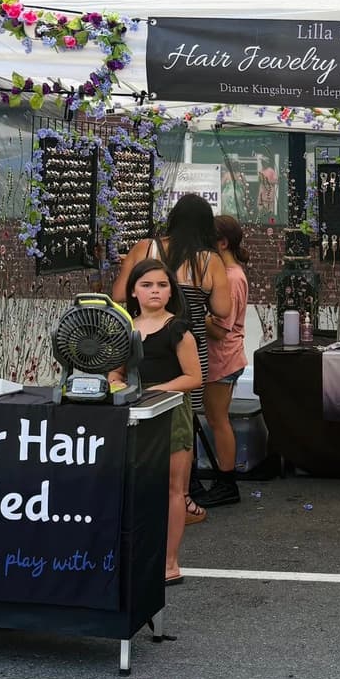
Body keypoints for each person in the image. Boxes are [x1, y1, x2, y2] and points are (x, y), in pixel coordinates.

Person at [113, 193, 232, 515]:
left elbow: (118, 294)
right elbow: (223, 309)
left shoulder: (145, 248)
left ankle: (148, 489)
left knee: (140, 414)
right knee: (183, 418)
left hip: (145, 340)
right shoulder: (209, 260)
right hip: (188, 343)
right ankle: (184, 493)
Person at [114, 258, 203, 587]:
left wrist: (155, 390)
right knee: (134, 488)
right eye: (147, 285)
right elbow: (116, 373)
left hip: (172, 414)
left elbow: (193, 377)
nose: (155, 290)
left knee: (173, 490)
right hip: (133, 415)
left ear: (171, 292)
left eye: (162, 285)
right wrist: (119, 387)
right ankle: (136, 556)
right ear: (134, 291)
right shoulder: (124, 329)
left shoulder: (178, 329)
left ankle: (170, 562)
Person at [204, 214, 249, 505]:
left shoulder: (231, 278)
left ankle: (226, 482)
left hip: (222, 357)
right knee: (216, 418)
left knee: (218, 419)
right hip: (226, 357)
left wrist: (197, 313)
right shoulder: (231, 274)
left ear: (222, 243)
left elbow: (221, 328)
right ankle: (225, 479)